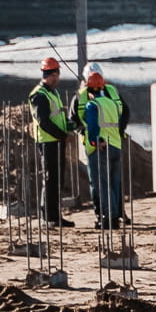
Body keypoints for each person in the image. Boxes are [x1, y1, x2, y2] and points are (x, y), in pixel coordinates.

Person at [72, 67, 129, 230]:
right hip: (116, 145)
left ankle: (108, 217)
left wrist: (96, 142)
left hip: (101, 147)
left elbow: (93, 127)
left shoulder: (92, 105)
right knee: (115, 182)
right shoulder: (112, 103)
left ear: (89, 89)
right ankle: (117, 215)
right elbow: (123, 115)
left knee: (102, 184)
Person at [26, 56, 76, 227]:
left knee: (56, 180)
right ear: (46, 75)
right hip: (48, 142)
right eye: (52, 75)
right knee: (50, 179)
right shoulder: (39, 95)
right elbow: (44, 122)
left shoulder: (52, 93)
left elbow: (58, 117)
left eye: (57, 74)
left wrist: (69, 127)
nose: (55, 78)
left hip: (56, 142)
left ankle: (54, 215)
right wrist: (62, 135)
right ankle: (49, 217)